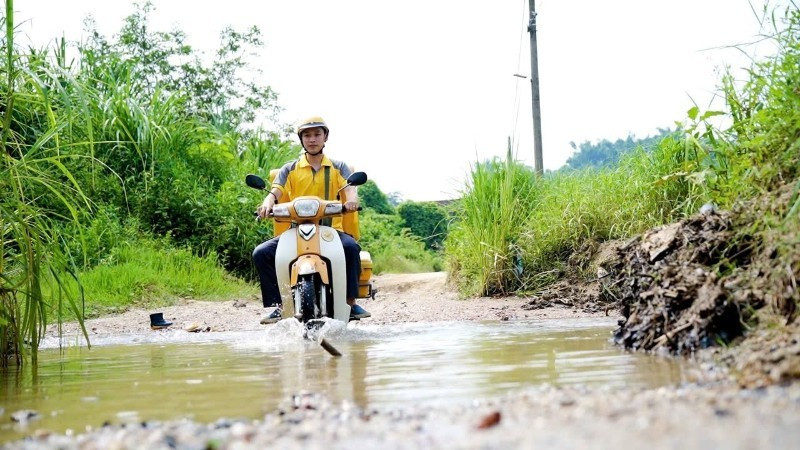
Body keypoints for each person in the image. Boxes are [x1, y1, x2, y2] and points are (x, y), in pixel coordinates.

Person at [252, 116, 370, 324]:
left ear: (325, 137)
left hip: (330, 230)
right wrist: (267, 204)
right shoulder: (289, 168)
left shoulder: (338, 166)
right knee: (261, 253)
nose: (312, 139)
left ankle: (350, 304)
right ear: (301, 140)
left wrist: (351, 201)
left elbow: (350, 189)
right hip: (295, 230)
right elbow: (275, 191)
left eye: (317, 134)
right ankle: (280, 305)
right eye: (307, 135)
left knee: (351, 248)